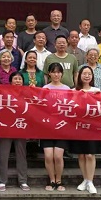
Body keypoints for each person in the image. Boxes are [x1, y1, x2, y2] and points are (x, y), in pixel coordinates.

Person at [0, 72, 31, 192]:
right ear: (10, 81)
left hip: (21, 127)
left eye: (20, 79)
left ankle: (23, 180)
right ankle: (2, 181)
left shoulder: (28, 93)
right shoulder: (4, 92)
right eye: (15, 79)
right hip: (6, 128)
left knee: (21, 155)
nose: (17, 81)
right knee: (3, 155)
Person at [70, 66, 101, 194]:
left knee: (90, 155)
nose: (87, 76)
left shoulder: (96, 90)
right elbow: (70, 108)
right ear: (79, 76)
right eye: (84, 74)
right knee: (81, 155)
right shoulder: (73, 91)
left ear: (92, 76)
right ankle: (85, 179)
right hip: (78, 127)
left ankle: (90, 181)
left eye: (89, 74)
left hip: (92, 127)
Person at [41, 63, 70, 191]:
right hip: (47, 126)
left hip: (62, 127)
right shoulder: (45, 88)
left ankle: (59, 180)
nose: (56, 74)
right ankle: (51, 180)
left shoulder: (67, 89)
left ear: (62, 74)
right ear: (49, 74)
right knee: (48, 156)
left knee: (58, 156)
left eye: (58, 72)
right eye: (53, 72)